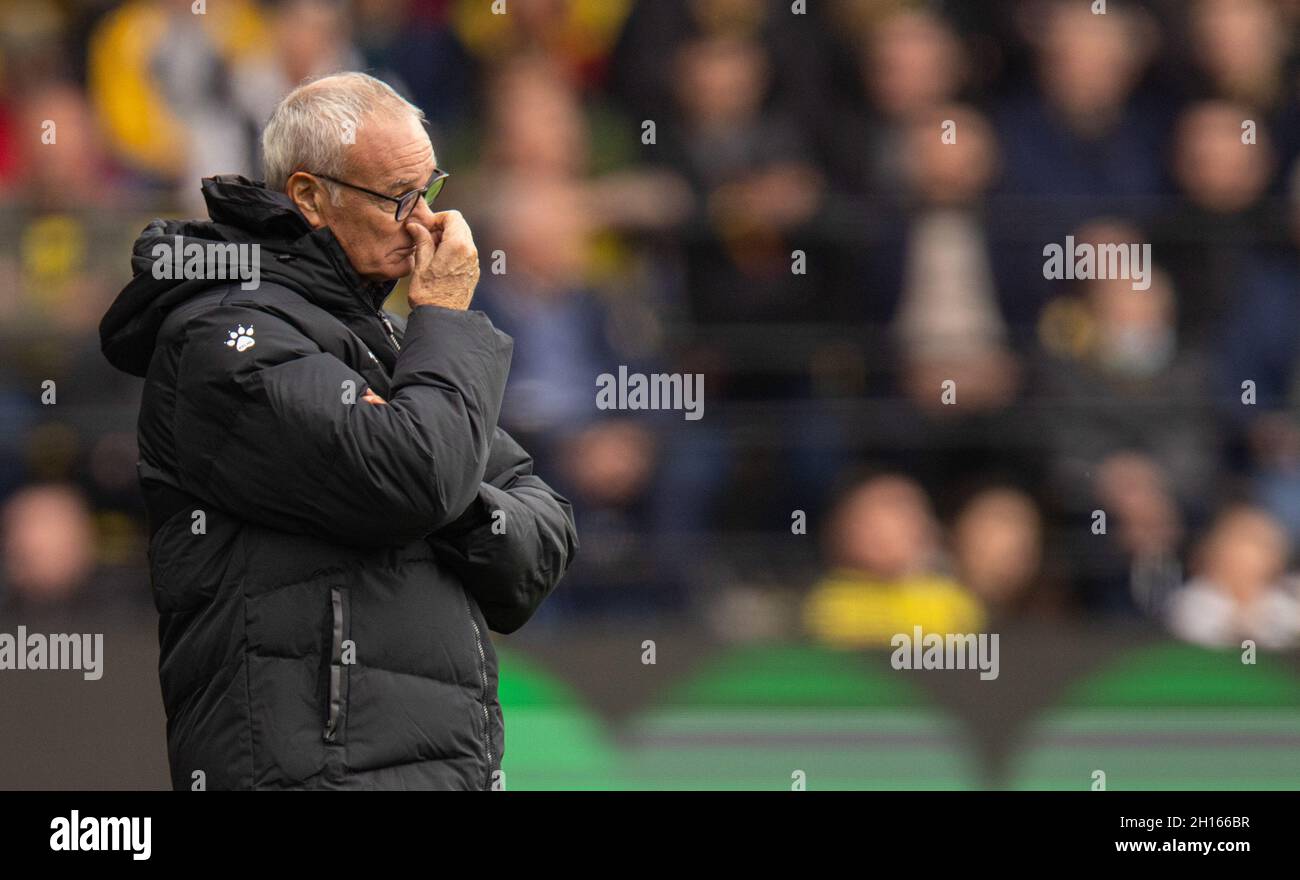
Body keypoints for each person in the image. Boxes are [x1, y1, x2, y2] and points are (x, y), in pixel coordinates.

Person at [98, 72, 578, 790]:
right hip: (314, 771)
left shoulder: (385, 341)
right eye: (397, 198)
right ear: (309, 197)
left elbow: (541, 535)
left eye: (430, 191)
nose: (425, 223)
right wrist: (442, 323)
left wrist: (456, 499)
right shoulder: (221, 333)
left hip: (441, 769)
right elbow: (421, 480)